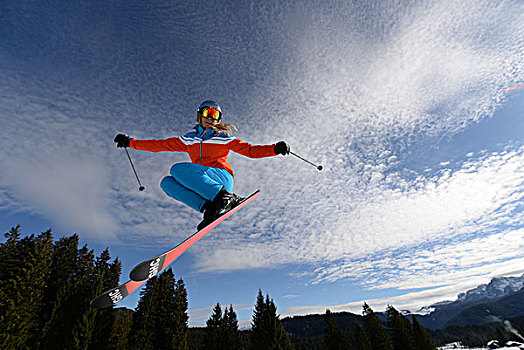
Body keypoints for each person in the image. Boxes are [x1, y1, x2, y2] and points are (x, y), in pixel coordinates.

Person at [114, 100, 290, 230]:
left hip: (221, 178)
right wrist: (131, 142)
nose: (211, 118)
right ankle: (210, 209)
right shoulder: (188, 139)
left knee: (177, 169)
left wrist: (274, 149)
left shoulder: (222, 138)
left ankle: (226, 198)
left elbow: (250, 151)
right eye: (208, 113)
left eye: (215, 115)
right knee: (166, 183)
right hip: (202, 182)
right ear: (200, 115)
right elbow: (159, 145)